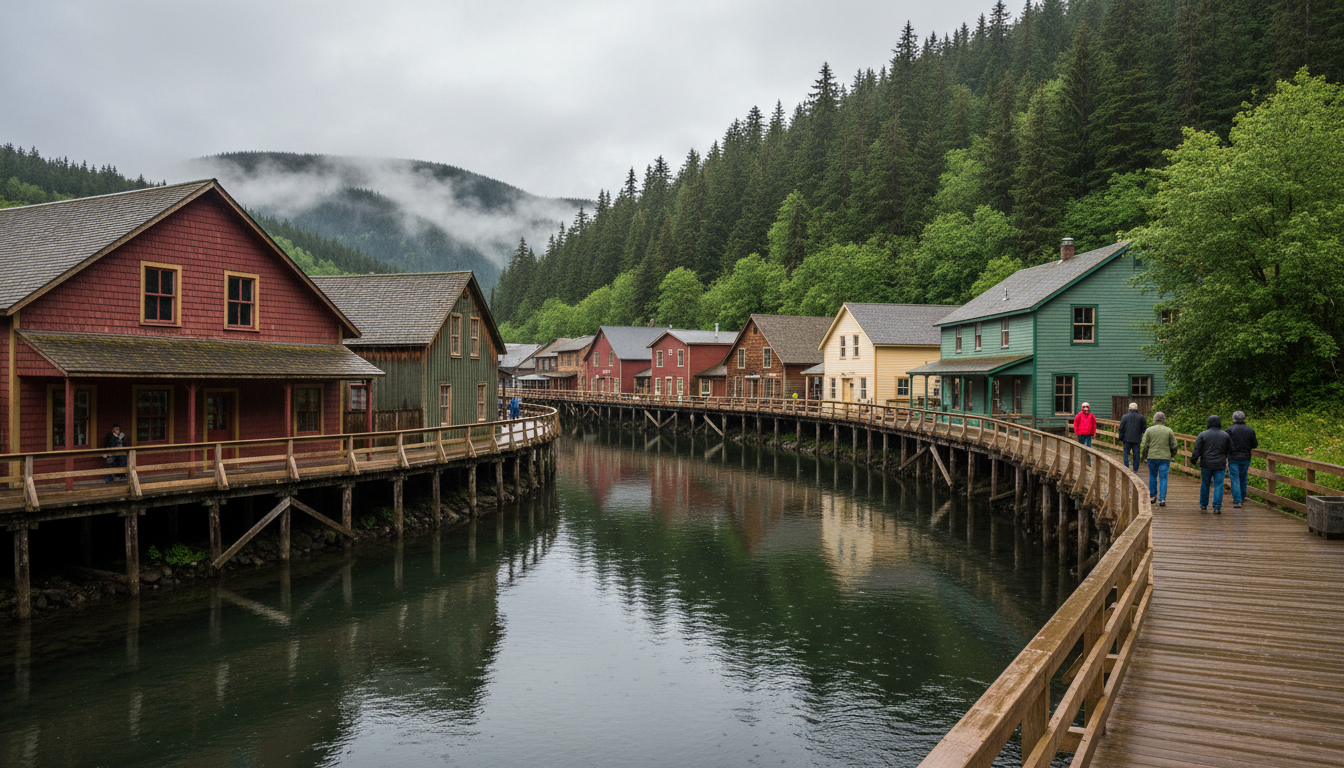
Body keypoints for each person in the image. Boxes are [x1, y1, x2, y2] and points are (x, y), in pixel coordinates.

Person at [1191, 415, 1231, 513]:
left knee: (1205, 484)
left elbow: (1197, 449)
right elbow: (1230, 450)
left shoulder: (1202, 435)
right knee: (1218, 485)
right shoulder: (1225, 435)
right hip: (1220, 464)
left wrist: (1194, 460)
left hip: (1206, 463)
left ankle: (1203, 505)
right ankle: (1217, 507)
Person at [1139, 412, 1178, 507]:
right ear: (1164, 420)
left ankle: (1152, 497)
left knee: (1152, 476)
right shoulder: (1169, 431)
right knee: (1163, 478)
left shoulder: (1149, 430)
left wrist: (1142, 456)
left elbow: (1144, 445)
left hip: (1152, 457)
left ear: (1154, 420)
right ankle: (1162, 499)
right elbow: (1174, 445)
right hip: (1165, 458)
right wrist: (1172, 455)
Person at [1226, 410, 1258, 509]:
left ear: (1233, 419)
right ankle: (1243, 496)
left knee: (1235, 478)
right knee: (1243, 477)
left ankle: (1237, 500)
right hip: (1246, 457)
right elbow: (1254, 445)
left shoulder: (1229, 430)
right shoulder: (1250, 430)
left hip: (1233, 457)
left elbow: (1225, 444)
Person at [1118, 402, 1147, 473]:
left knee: (1125, 454)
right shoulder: (1141, 417)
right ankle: (1135, 469)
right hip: (1137, 439)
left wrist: (1121, 437)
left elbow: (1121, 428)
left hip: (1126, 439)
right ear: (1137, 409)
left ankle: (1126, 468)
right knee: (1136, 455)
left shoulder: (1124, 417)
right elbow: (1144, 429)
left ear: (1129, 408)